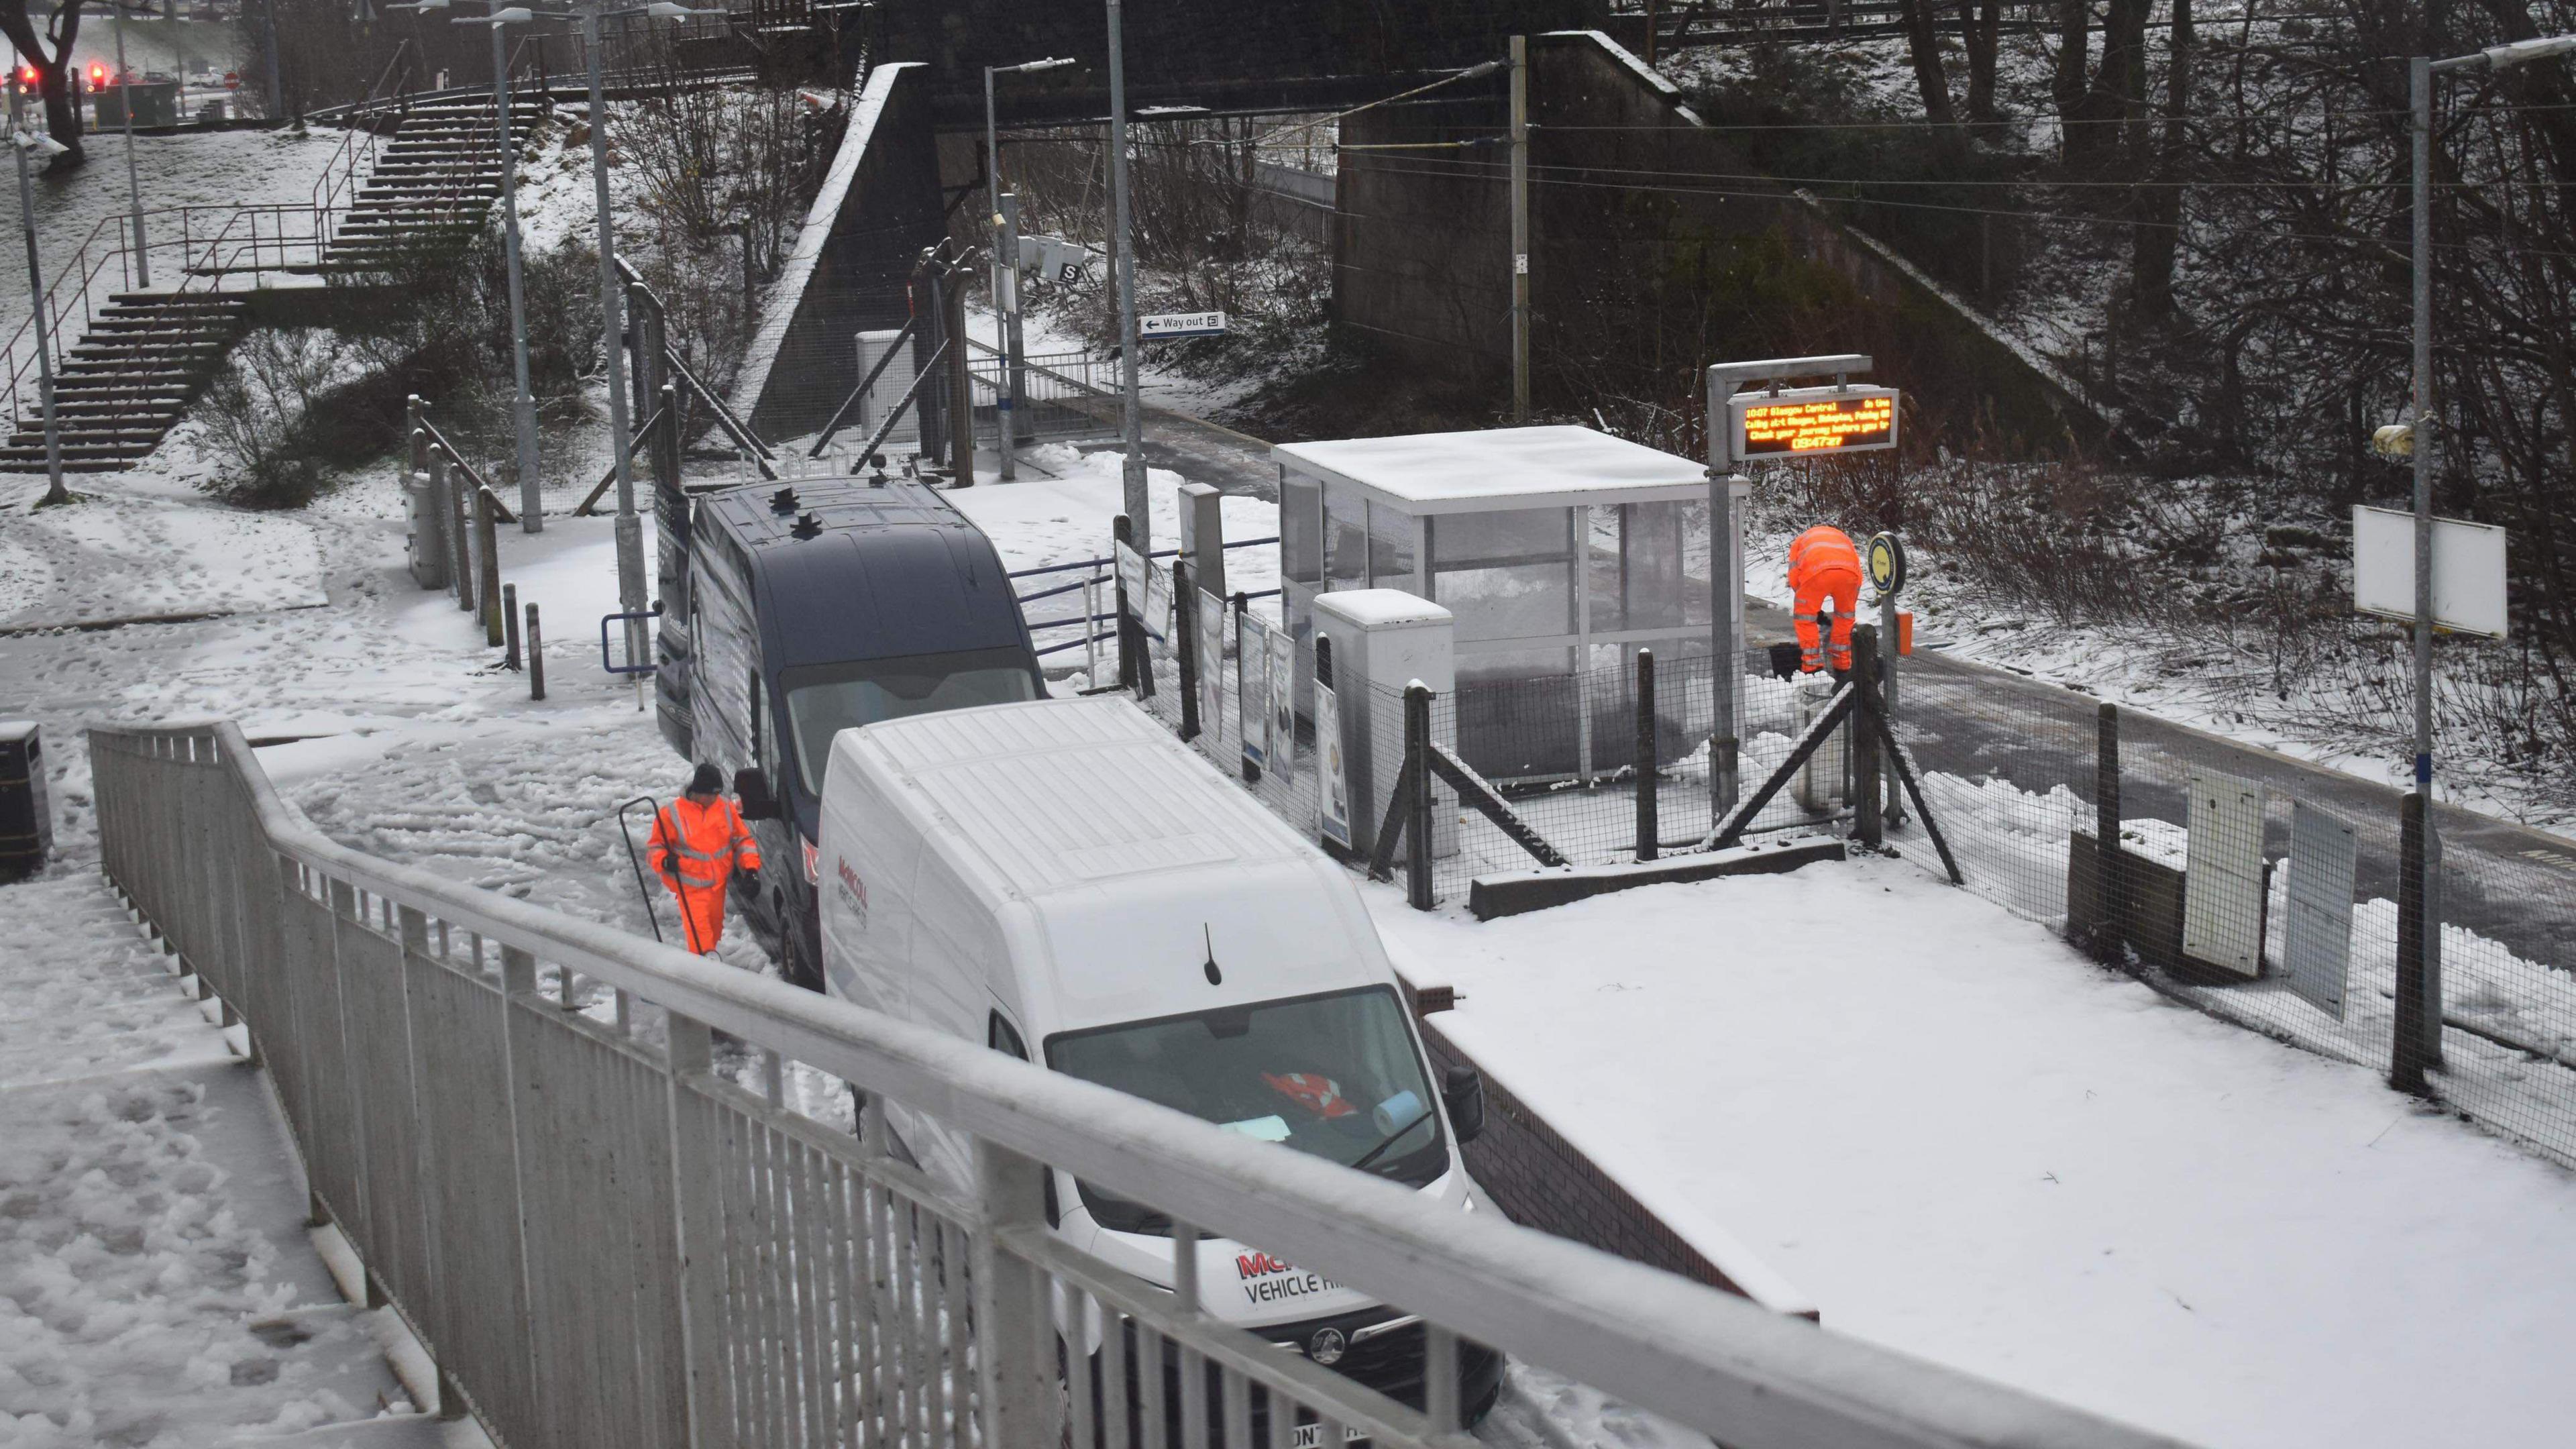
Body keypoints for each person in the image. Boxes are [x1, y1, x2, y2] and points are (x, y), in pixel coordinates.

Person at [646, 763, 761, 955]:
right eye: (711, 794)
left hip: (718, 886)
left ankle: (705, 968)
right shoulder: (671, 814)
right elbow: (654, 849)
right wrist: (665, 861)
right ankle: (703, 974)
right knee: (702, 943)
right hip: (691, 889)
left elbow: (742, 840)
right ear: (698, 791)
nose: (715, 799)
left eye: (718, 794)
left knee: (714, 935)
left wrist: (750, 869)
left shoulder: (724, 808)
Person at [1787, 524, 1865, 676]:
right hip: (1849, 574)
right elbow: (1857, 569)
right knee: (1845, 618)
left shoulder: (1800, 541)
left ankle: (1812, 667)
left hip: (1816, 573)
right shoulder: (1843, 538)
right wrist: (1851, 599)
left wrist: (1806, 603)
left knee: (1805, 620)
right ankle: (1842, 666)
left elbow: (1794, 575)